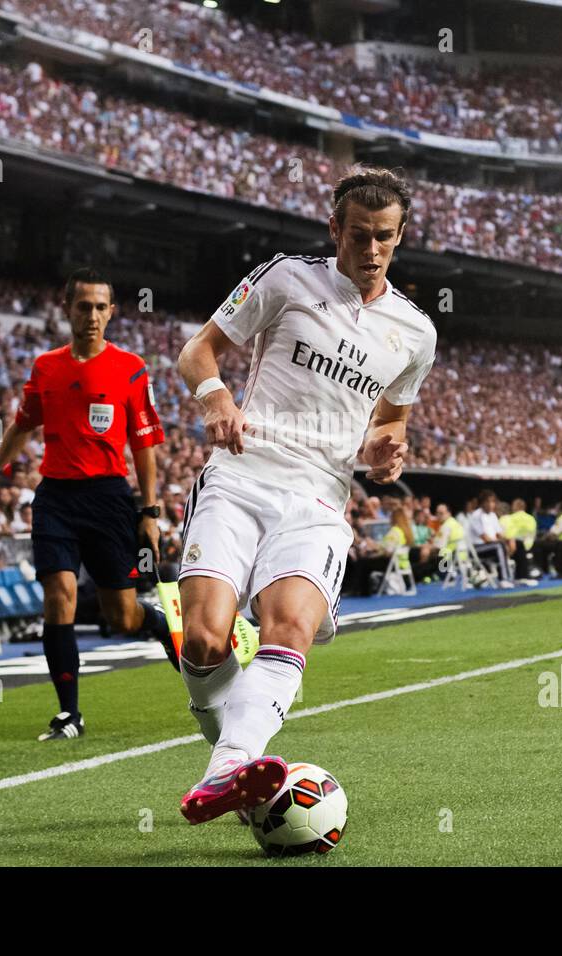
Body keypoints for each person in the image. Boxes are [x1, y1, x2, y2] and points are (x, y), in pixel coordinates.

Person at [173, 166, 437, 823]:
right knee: (205, 643)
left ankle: (228, 770)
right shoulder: (287, 277)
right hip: (241, 474)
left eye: (383, 237)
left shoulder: (416, 333)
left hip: (319, 497)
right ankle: (229, 752)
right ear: (334, 230)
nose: (369, 250)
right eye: (357, 236)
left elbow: (390, 423)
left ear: (400, 236)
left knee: (289, 626)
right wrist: (218, 400)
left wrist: (384, 449)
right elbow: (197, 351)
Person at [0, 267, 177, 743]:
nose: (91, 315)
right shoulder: (46, 367)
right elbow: (23, 425)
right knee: (58, 594)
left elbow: (144, 445)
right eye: (82, 306)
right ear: (66, 310)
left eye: (99, 307)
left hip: (108, 499)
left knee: (121, 617)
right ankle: (69, 714)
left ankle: (160, 623)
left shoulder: (131, 367)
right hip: (56, 497)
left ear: (112, 312)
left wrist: (149, 513)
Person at [499, 498, 538, 581]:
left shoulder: (510, 518)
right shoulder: (531, 518)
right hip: (531, 546)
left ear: (515, 507)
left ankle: (519, 576)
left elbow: (507, 534)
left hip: (516, 546)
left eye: (513, 506)